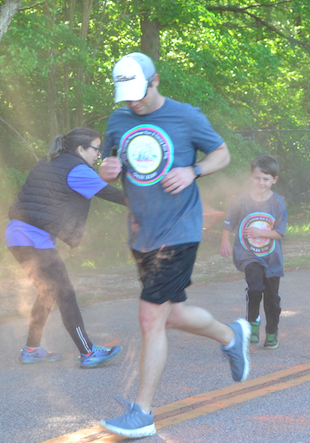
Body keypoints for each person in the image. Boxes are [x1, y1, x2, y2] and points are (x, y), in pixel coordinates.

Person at [98, 52, 249, 439]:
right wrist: (107, 169)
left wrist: (193, 170)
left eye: (139, 93)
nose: (133, 102)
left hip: (179, 230)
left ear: (155, 81)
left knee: (150, 318)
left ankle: (142, 413)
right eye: (126, 96)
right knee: (172, 315)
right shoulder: (118, 120)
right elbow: (112, 163)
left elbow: (222, 154)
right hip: (141, 233)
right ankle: (232, 336)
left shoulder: (186, 116)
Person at [7, 127, 124, 368]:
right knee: (65, 294)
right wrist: (151, 199)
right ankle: (88, 352)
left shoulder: (49, 162)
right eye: (96, 149)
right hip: (34, 239)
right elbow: (116, 196)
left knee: (47, 292)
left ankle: (31, 349)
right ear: (81, 149)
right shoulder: (77, 169)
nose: (98, 155)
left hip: (16, 236)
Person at [220, 155, 287, 349]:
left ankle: (272, 332)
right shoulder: (241, 201)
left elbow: (279, 233)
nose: (261, 182)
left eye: (266, 179)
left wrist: (260, 232)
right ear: (251, 177)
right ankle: (252, 324)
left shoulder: (278, 203)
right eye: (257, 178)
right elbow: (229, 222)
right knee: (255, 288)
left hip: (272, 258)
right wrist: (225, 240)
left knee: (272, 298)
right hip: (248, 255)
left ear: (274, 180)